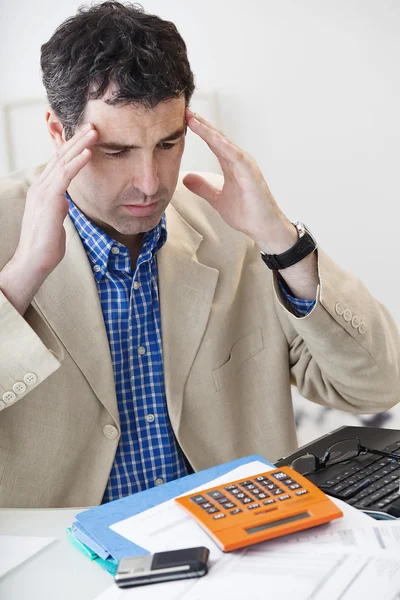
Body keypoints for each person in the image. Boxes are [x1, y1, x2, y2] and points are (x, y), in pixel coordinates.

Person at [0, 1, 399, 509]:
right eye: (117, 151)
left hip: (237, 555)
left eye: (168, 144)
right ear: (59, 132)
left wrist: (283, 242)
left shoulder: (237, 230)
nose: (149, 184)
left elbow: (377, 385)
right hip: (58, 572)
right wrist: (19, 279)